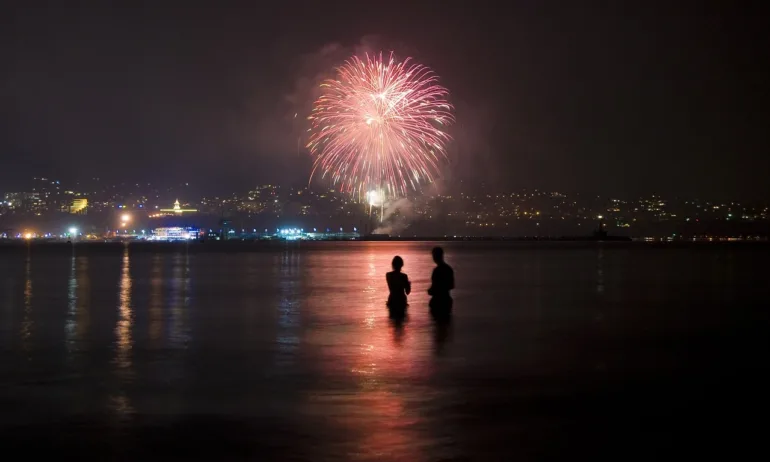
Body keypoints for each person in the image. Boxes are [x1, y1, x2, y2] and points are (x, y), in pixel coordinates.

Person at [428, 246, 454, 312]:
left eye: (434, 255)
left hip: (437, 301)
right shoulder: (449, 269)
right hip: (447, 300)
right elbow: (451, 286)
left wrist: (430, 291)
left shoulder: (437, 270)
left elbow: (434, 287)